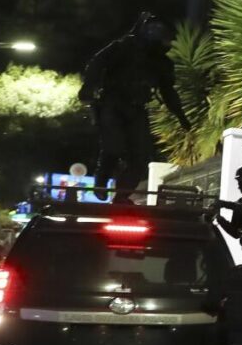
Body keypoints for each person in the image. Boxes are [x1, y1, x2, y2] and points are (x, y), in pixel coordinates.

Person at [78, 13, 191, 203]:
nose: (168, 44)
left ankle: (121, 196)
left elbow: (168, 91)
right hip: (112, 103)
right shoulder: (124, 47)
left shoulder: (162, 63)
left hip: (137, 108)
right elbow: (97, 63)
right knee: (112, 148)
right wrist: (88, 87)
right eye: (165, 38)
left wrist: (181, 116)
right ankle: (101, 181)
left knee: (139, 159)